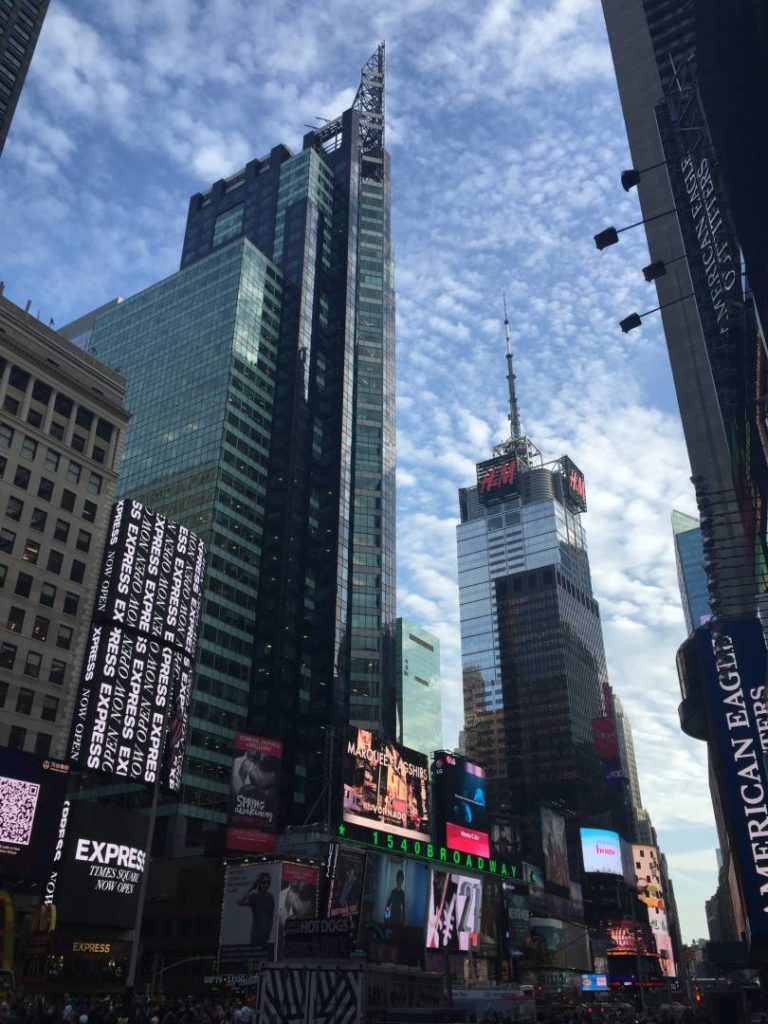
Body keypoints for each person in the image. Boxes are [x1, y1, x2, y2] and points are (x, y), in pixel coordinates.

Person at [237, 871, 275, 948]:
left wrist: (269, 931)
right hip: (256, 935)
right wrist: (251, 887)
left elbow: (271, 915)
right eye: (264, 882)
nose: (266, 885)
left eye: (268, 882)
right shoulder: (254, 897)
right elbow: (239, 901)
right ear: (259, 884)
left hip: (265, 935)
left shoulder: (270, 897)